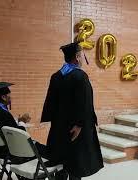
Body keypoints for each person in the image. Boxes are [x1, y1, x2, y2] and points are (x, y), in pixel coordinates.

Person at [41, 42, 103, 180]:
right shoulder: (80, 76)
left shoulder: (56, 76)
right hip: (75, 130)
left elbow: (50, 103)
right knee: (75, 165)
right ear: (77, 56)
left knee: (61, 163)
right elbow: (85, 103)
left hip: (59, 128)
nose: (82, 58)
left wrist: (56, 123)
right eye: (81, 55)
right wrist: (79, 124)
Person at [0, 82, 32, 159]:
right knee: (40, 148)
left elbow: (5, 125)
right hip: (9, 151)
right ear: (3, 97)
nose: (11, 98)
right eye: (9, 95)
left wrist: (18, 122)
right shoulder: (3, 113)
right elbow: (18, 134)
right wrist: (22, 122)